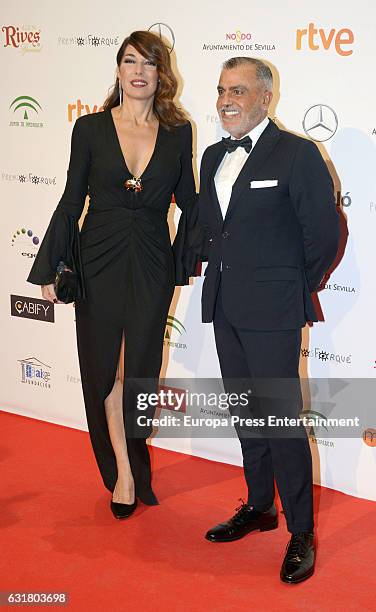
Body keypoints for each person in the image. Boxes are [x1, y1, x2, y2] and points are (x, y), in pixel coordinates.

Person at [27, 31, 198, 520]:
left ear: (161, 74)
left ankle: (131, 459)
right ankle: (124, 472)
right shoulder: (90, 128)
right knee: (104, 366)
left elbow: (189, 201)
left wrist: (191, 255)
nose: (139, 70)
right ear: (118, 69)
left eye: (149, 62)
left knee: (136, 368)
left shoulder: (178, 132)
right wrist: (53, 264)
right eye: (130, 61)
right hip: (98, 255)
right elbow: (70, 199)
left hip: (150, 258)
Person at [196, 57, 339, 583]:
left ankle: (301, 530)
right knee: (246, 417)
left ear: (264, 97)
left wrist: (293, 284)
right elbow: (210, 228)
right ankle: (260, 505)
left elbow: (325, 232)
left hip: (274, 310)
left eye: (237, 90)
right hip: (225, 307)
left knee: (280, 422)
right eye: (220, 91)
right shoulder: (212, 156)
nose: (225, 100)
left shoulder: (297, 154)